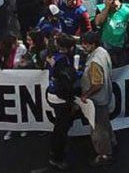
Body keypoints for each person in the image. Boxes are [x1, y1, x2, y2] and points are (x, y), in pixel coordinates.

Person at [47, 34, 81, 171]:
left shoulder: (53, 57)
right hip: (60, 98)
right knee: (61, 129)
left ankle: (55, 152)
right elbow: (67, 81)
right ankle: (57, 157)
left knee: (59, 127)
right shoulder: (63, 62)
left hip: (52, 93)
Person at [80, 31, 114, 166]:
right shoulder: (102, 51)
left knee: (98, 129)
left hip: (97, 100)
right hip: (105, 96)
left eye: (85, 45)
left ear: (92, 44)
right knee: (105, 122)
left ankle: (104, 154)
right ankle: (112, 142)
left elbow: (97, 83)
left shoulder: (94, 62)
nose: (83, 47)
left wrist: (86, 95)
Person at [93, 0, 129, 66]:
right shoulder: (102, 9)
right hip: (106, 44)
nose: (116, 8)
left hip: (122, 45)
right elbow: (98, 22)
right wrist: (107, 7)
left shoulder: (127, 10)